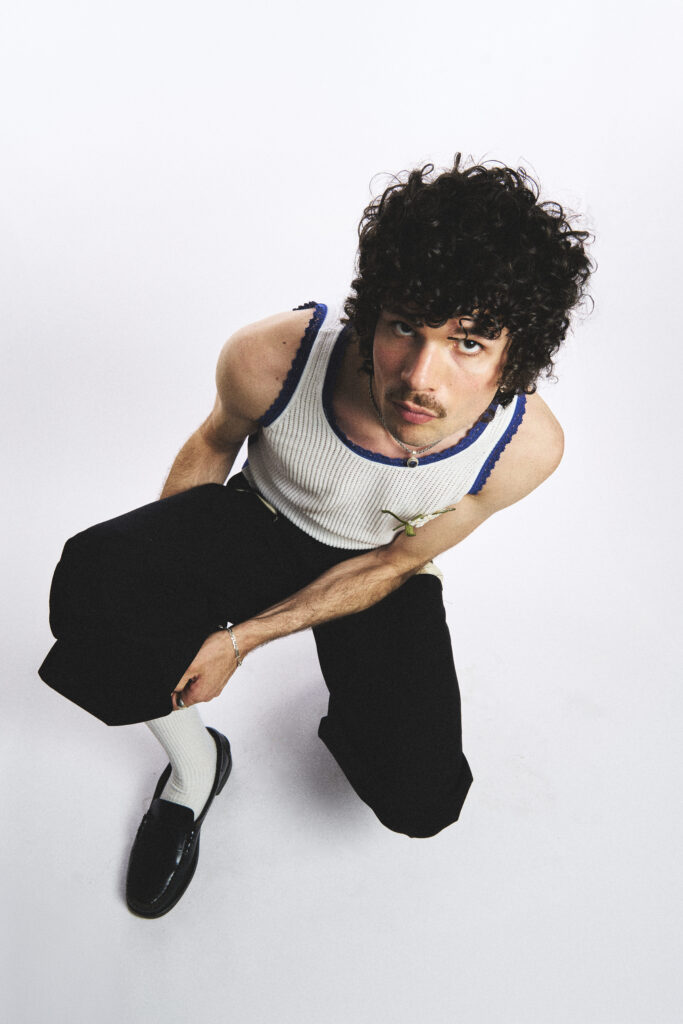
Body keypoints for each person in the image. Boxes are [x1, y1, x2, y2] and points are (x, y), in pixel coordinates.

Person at [38, 155, 593, 918]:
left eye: (467, 342)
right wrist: (178, 597)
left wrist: (240, 640)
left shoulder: (526, 449)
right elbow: (213, 443)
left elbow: (402, 559)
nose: (419, 377)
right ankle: (196, 770)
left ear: (516, 353)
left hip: (382, 563)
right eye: (404, 326)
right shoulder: (273, 356)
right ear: (372, 313)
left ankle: (356, 710)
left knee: (421, 797)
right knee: (98, 584)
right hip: (264, 515)